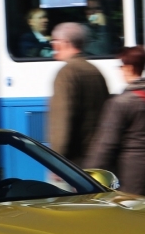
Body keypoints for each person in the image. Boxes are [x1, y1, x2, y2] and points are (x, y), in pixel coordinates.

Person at [87, 44, 145, 200]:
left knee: (134, 215)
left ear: (129, 68)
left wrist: (89, 175)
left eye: (121, 65)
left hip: (135, 173)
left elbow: (105, 146)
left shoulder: (122, 102)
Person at [47, 22, 110, 163]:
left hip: (75, 162)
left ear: (65, 43)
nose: (52, 45)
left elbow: (61, 120)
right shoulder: (95, 71)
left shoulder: (66, 73)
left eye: (54, 41)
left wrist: (57, 160)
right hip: (96, 156)